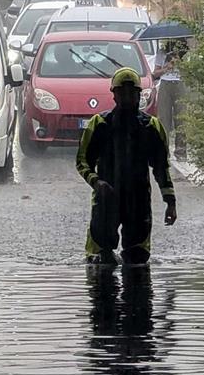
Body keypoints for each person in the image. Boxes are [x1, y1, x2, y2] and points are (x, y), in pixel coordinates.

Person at [76, 67, 177, 266]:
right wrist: (97, 183)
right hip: (106, 201)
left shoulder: (152, 127)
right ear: (114, 95)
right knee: (99, 263)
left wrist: (170, 201)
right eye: (123, 92)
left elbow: (161, 168)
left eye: (133, 93)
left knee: (138, 263)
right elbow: (82, 161)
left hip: (138, 203)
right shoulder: (99, 124)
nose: (128, 97)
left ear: (140, 95)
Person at [153, 39, 188, 159]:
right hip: (165, 84)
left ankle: (181, 151)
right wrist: (166, 68)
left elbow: (191, 72)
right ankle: (163, 149)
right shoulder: (162, 52)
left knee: (182, 117)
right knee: (163, 118)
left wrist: (180, 64)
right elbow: (155, 73)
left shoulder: (186, 52)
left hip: (180, 83)